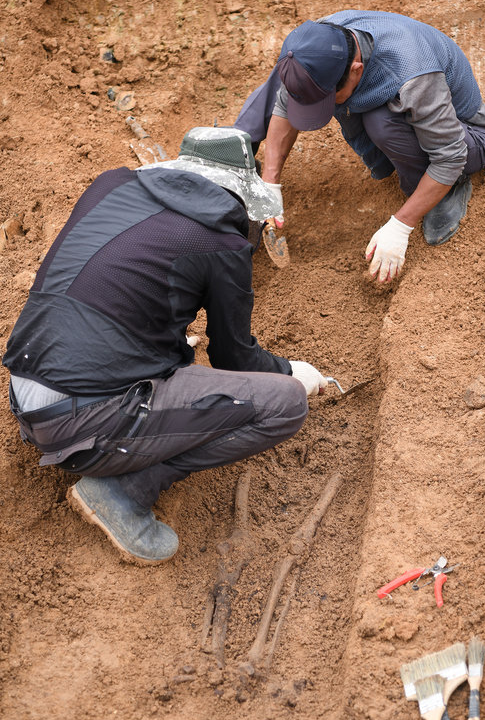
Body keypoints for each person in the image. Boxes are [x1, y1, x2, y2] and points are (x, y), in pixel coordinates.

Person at [3, 127, 328, 565]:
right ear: (239, 195)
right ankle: (122, 491)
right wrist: (291, 372)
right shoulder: (221, 241)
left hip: (26, 390)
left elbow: (123, 291)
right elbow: (234, 356)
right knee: (285, 405)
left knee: (171, 357)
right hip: (79, 423)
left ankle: (105, 441)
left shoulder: (111, 185)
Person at [235, 9, 485, 283]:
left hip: (465, 141)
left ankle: (447, 190)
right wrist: (270, 183)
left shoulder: (414, 77)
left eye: (329, 99)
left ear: (356, 69)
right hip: (394, 102)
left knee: (381, 121)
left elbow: (451, 157)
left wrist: (400, 225)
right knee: (298, 70)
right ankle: (235, 149)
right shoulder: (323, 41)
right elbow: (286, 101)